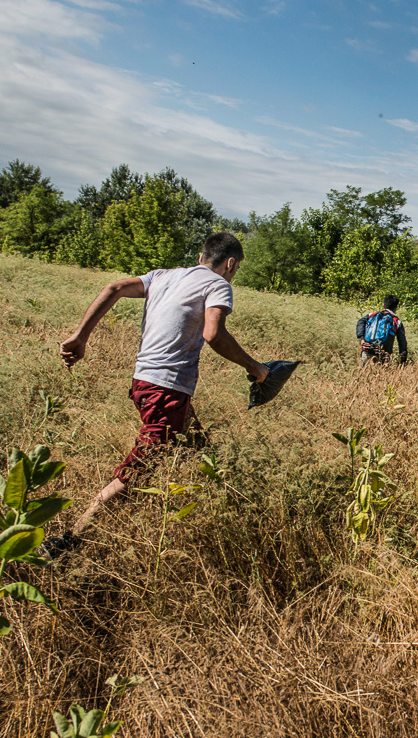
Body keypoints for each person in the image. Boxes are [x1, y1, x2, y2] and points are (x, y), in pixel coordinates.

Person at [51, 232, 269, 549]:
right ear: (231, 263)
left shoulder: (163, 276)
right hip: (168, 391)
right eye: (235, 269)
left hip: (143, 383)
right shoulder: (218, 284)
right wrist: (255, 367)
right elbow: (213, 334)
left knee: (198, 448)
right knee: (134, 473)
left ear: (201, 257)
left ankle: (216, 511)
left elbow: (113, 288)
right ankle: (69, 541)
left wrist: (79, 337)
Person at [356, 295, 408, 368]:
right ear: (396, 308)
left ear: (383, 306)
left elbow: (360, 322)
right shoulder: (397, 321)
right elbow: (402, 344)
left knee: (363, 375)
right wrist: (402, 362)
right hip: (384, 354)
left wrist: (362, 339)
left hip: (367, 349)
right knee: (381, 376)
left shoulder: (373, 315)